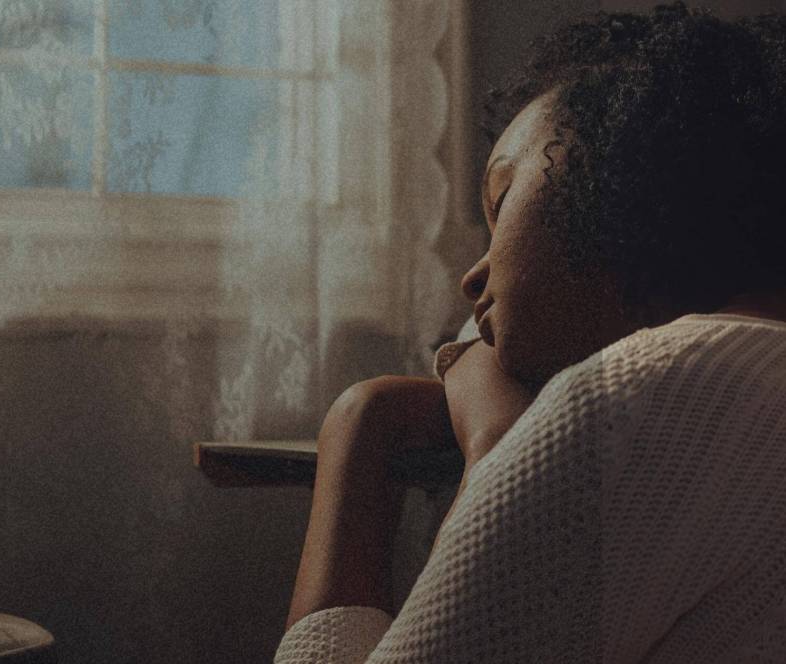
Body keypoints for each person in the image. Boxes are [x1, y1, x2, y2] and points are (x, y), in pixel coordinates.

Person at [275, 3, 786, 662]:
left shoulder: (637, 400)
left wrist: (372, 429)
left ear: (615, 165)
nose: (473, 276)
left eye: (500, 201)